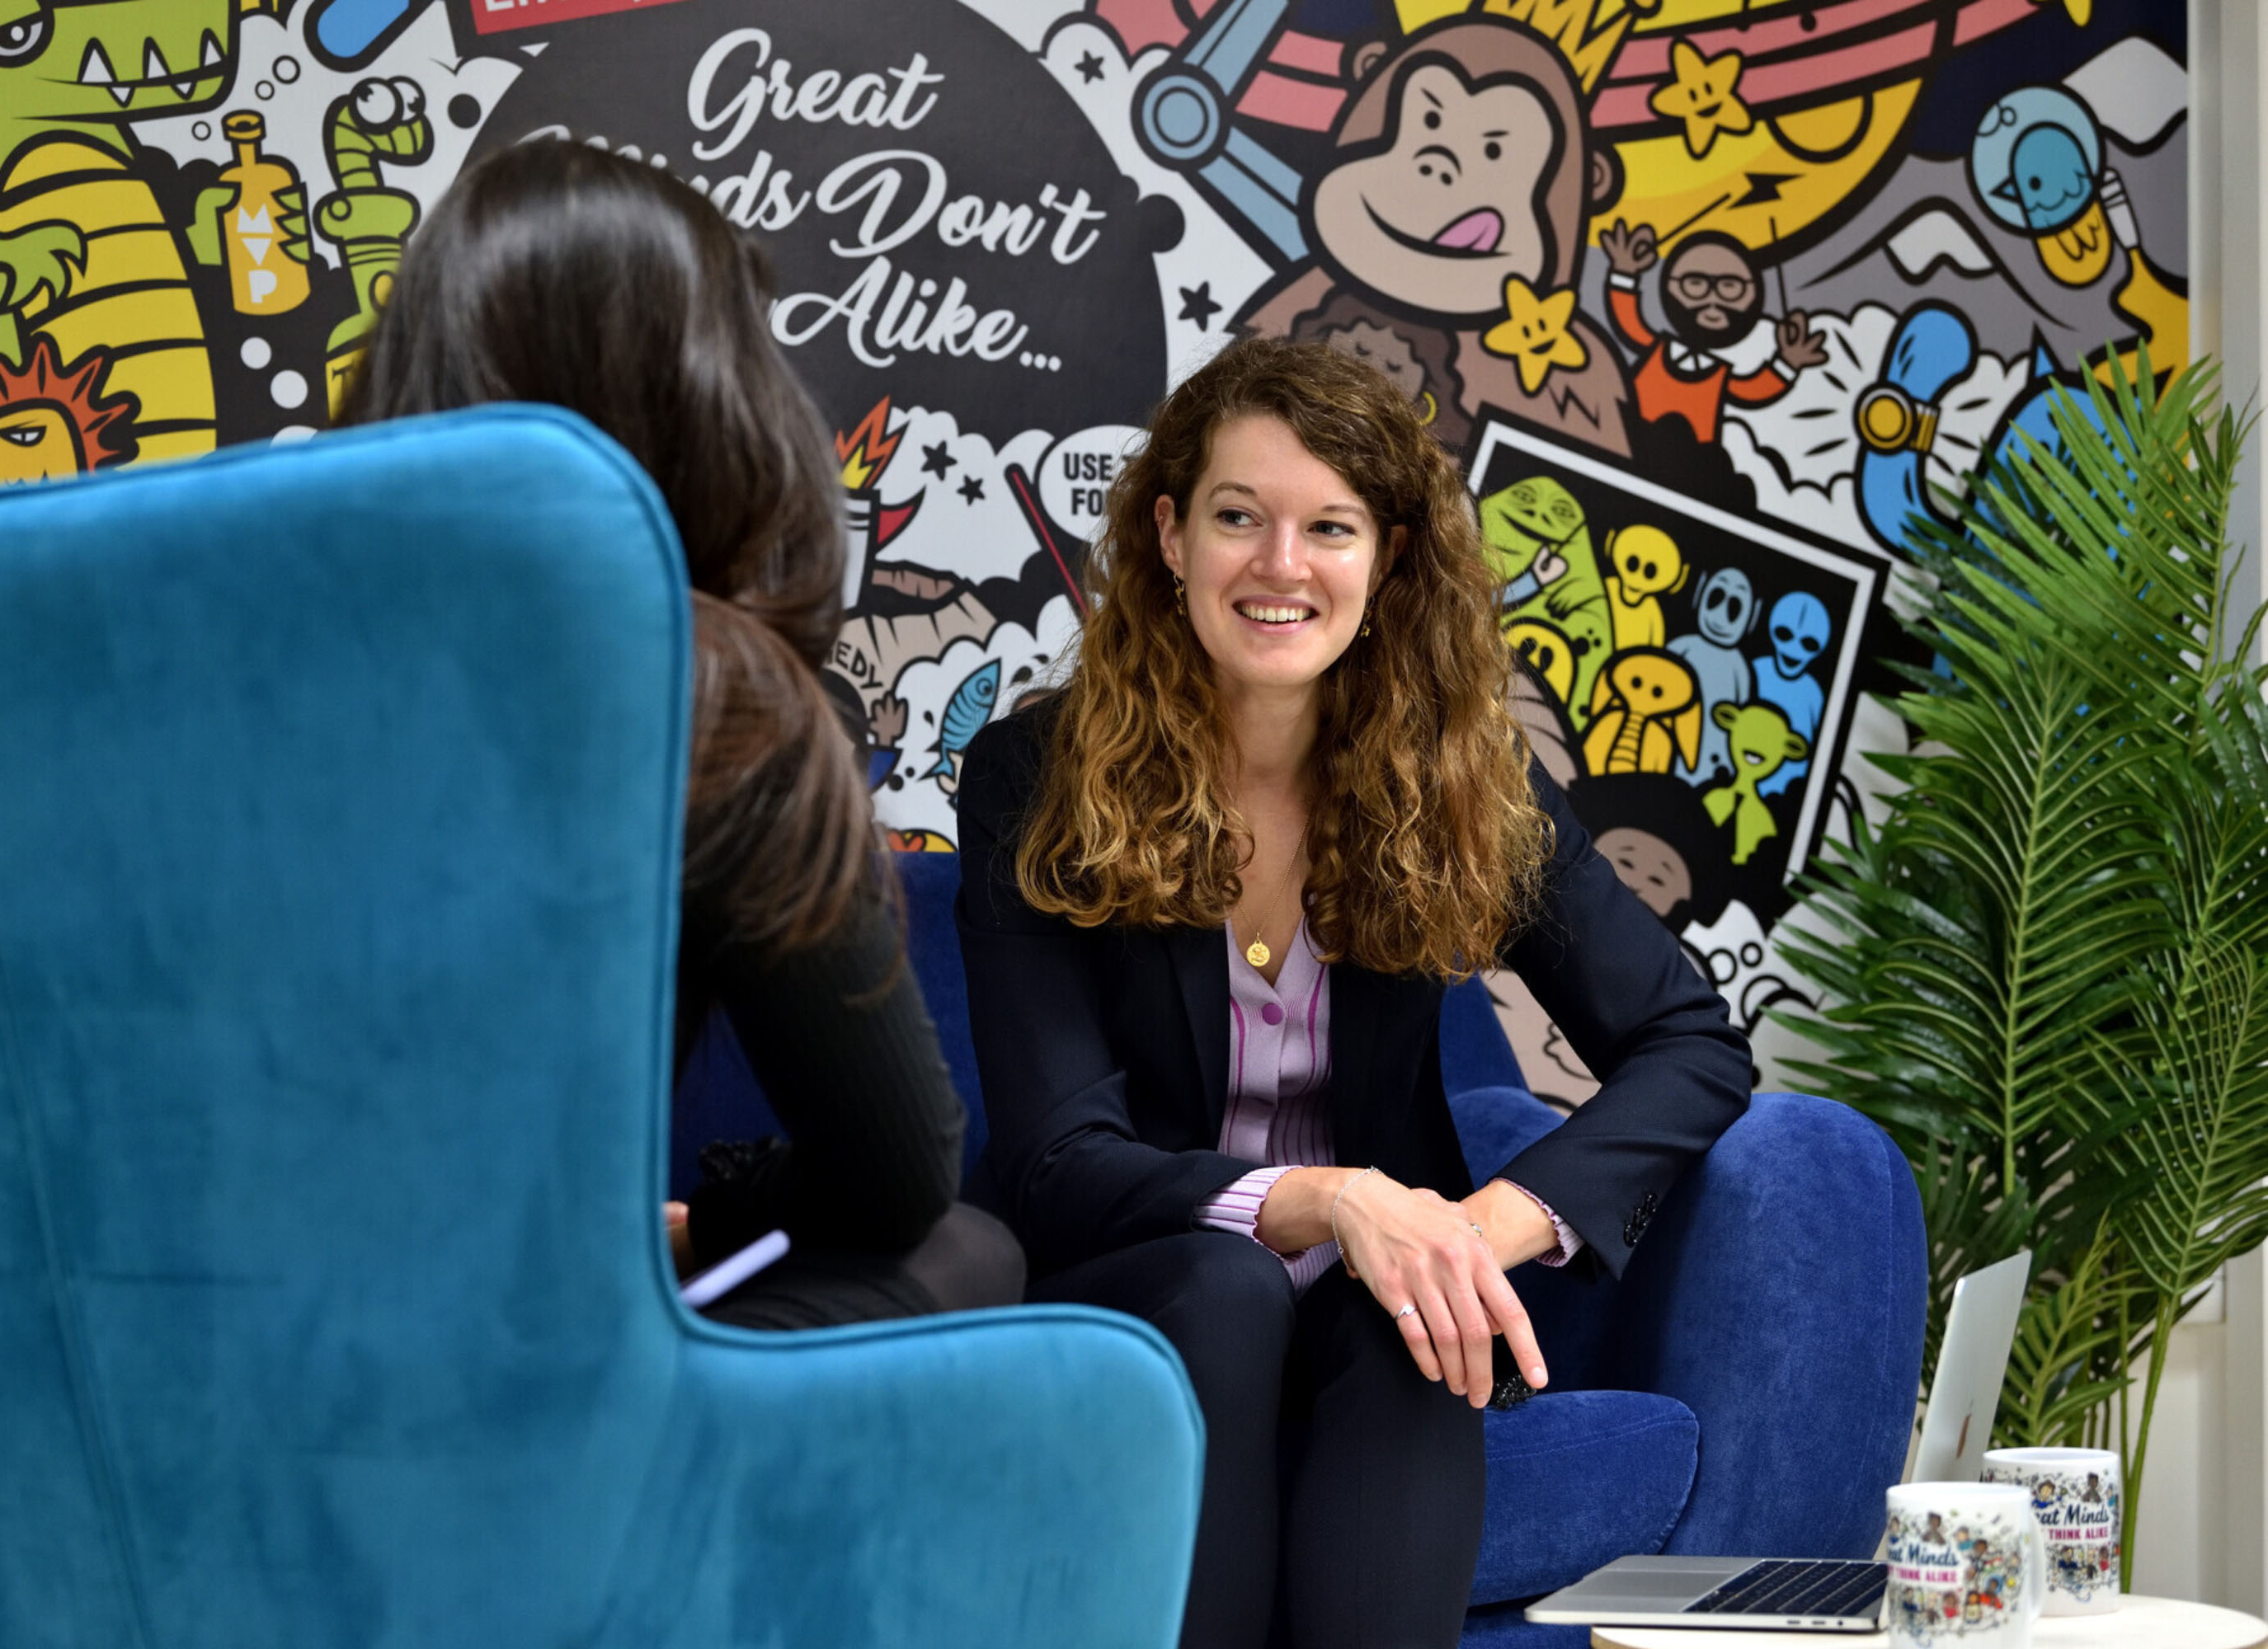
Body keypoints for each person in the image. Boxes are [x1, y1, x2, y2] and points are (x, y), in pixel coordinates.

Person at [956, 337, 1750, 1647]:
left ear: (1385, 562)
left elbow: (1690, 1041)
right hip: (1137, 1292)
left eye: (1328, 526)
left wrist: (1485, 1226)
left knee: (1416, 1319)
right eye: (1237, 518)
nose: (1281, 566)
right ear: (1168, 535)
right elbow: (1056, 1162)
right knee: (1230, 1288)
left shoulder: (1454, 779)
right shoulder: (1033, 776)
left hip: (1370, 1307)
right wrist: (1332, 1199)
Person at [339, 138, 1022, 1329]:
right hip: (505, 1362)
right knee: (966, 1254)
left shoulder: (221, 647)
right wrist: (717, 1211)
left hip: (146, 1375)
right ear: (706, 397)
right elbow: (899, 1172)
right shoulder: (708, 692)